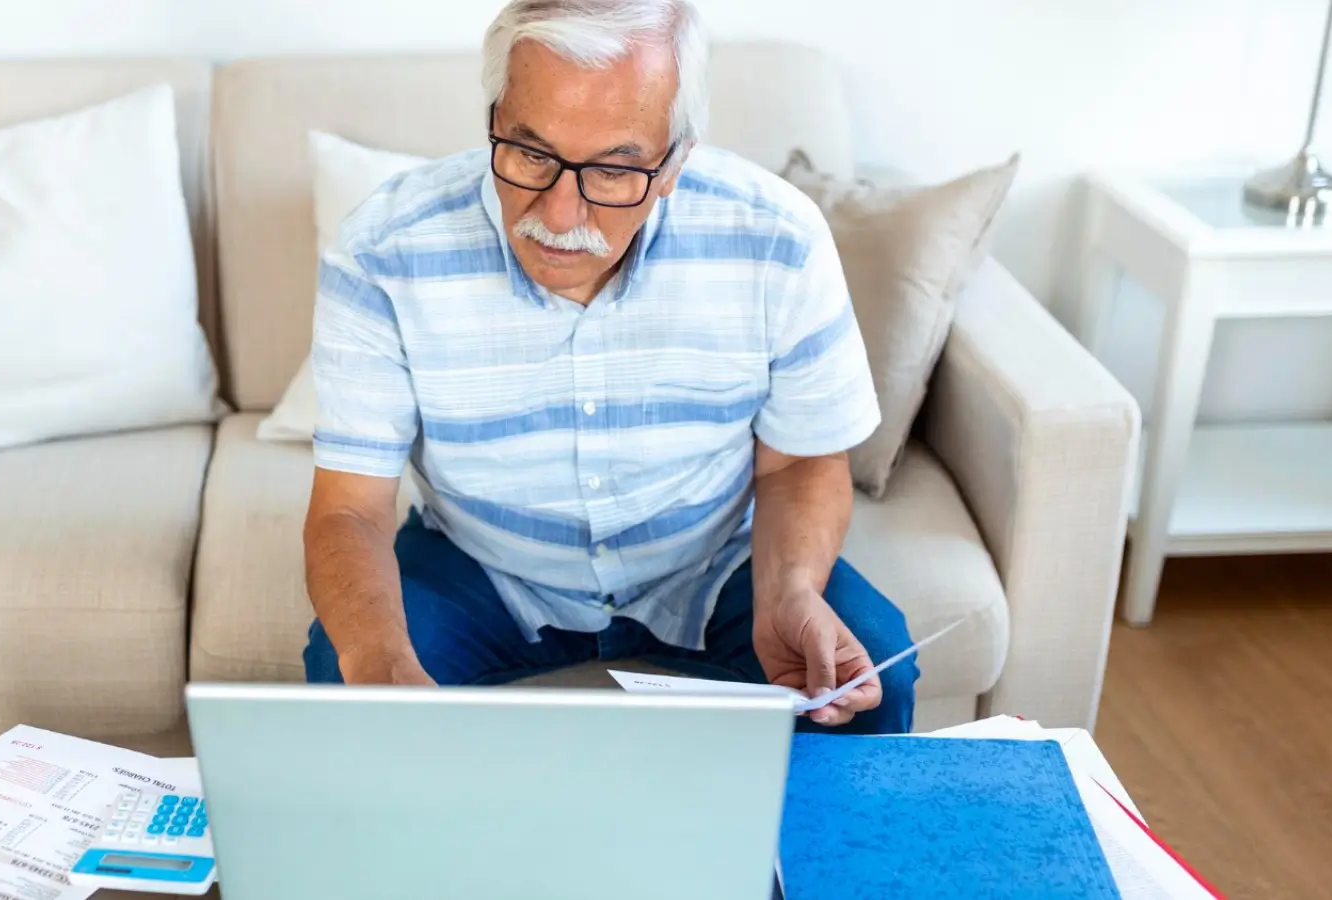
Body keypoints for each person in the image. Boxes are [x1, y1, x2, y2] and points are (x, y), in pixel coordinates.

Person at [301, 0, 918, 733]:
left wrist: (790, 591)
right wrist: (379, 663)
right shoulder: (381, 248)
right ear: (495, 118)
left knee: (870, 673)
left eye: (614, 170)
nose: (559, 215)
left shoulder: (779, 239)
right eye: (530, 154)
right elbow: (349, 508)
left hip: (713, 565)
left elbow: (800, 464)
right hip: (485, 570)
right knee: (346, 677)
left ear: (674, 162)